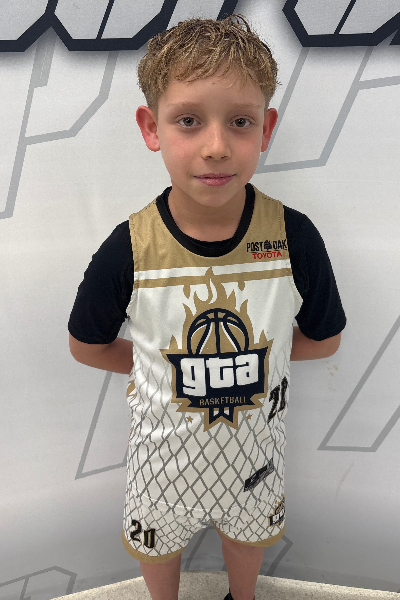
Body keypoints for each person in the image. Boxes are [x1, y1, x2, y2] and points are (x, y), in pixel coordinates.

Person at [68, 14, 346, 600]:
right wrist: (161, 364)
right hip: (160, 461)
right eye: (189, 120)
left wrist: (256, 360)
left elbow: (325, 339)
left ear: (266, 128)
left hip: (255, 455)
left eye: (240, 122)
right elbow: (85, 345)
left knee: (247, 542)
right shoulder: (130, 247)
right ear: (152, 127)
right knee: (158, 549)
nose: (216, 147)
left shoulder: (293, 236)